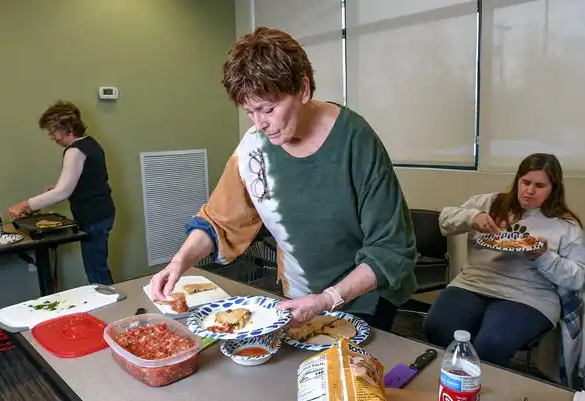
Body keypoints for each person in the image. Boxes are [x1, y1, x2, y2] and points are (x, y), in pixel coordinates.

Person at [149, 27, 417, 331]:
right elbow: (220, 221)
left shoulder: (355, 140)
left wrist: (328, 298)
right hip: (298, 296)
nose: (260, 124)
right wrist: (179, 262)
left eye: (268, 109)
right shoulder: (255, 148)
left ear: (303, 89)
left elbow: (392, 247)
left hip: (364, 298)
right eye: (250, 112)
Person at [423, 153, 585, 367]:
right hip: (473, 283)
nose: (529, 191)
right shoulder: (490, 203)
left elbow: (580, 278)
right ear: (517, 179)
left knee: (491, 346)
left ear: (553, 188)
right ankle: (454, 379)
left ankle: (479, 385)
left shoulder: (565, 225)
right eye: (525, 182)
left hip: (529, 295)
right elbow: (445, 220)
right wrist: (472, 218)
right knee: (436, 327)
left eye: (539, 185)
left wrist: (543, 257)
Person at [8, 101, 116, 285]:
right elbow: (88, 180)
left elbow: (62, 193)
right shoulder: (91, 143)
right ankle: (111, 305)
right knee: (98, 266)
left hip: (93, 218)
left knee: (96, 272)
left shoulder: (74, 151)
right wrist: (60, 189)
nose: (52, 137)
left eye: (52, 132)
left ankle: (110, 309)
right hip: (103, 213)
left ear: (67, 128)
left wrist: (23, 205)